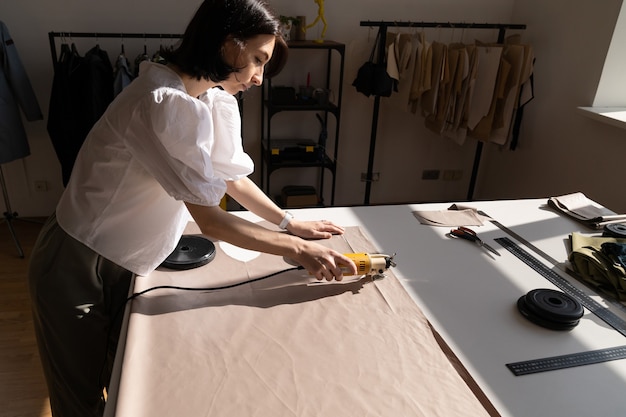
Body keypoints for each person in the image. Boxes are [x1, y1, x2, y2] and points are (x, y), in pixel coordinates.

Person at [28, 1, 357, 416]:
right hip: (76, 258)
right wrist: (296, 250)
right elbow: (210, 218)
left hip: (125, 258)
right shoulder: (161, 101)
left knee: (121, 378)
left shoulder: (204, 98)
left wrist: (290, 223)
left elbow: (231, 179)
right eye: (257, 60)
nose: (258, 78)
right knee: (80, 399)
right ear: (227, 44)